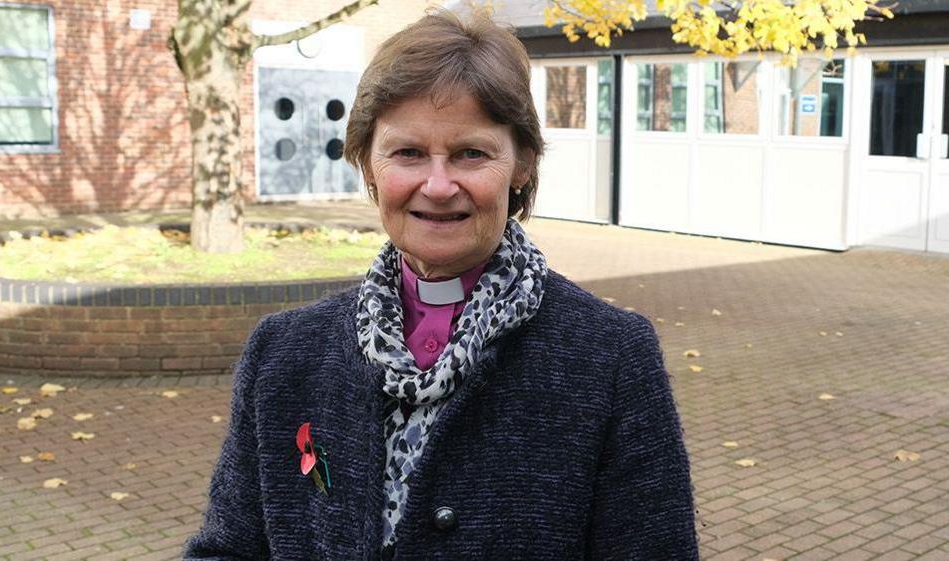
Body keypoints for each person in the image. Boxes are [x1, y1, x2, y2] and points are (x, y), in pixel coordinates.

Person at [183, 9, 698, 561]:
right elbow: (230, 549)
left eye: (470, 153)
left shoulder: (610, 358)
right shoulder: (283, 354)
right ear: (369, 165)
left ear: (521, 164)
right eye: (407, 153)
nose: (437, 184)